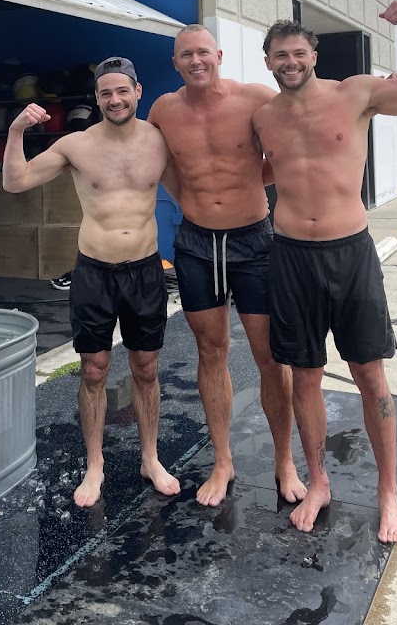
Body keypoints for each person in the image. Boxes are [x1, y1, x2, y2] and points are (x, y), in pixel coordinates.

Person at [253, 1, 397, 543]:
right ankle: (319, 482)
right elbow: (259, 168)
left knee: (369, 373)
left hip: (350, 253)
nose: (290, 61)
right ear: (268, 62)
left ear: (314, 56)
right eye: (280, 55)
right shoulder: (264, 117)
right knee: (305, 376)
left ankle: (388, 493)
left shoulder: (356, 94)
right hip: (290, 255)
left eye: (299, 52)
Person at [2, 56, 181, 509]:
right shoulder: (76, 145)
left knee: (146, 368)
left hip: (145, 270)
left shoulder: (160, 141)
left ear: (138, 92)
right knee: (94, 369)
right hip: (95, 272)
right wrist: (17, 130)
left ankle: (150, 458)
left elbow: (196, 187)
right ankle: (95, 463)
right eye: (106, 93)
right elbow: (15, 182)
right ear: (97, 98)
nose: (115, 99)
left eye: (122, 91)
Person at [149, 25, 306, 508]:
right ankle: (223, 460)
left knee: (269, 356)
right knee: (210, 351)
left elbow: (292, 143)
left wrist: (251, 178)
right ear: (175, 63)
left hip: (253, 241)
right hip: (197, 244)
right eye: (185, 55)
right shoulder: (163, 110)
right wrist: (192, 200)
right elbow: (164, 163)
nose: (195, 61)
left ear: (218, 55)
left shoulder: (255, 99)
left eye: (203, 52)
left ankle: (284, 460)